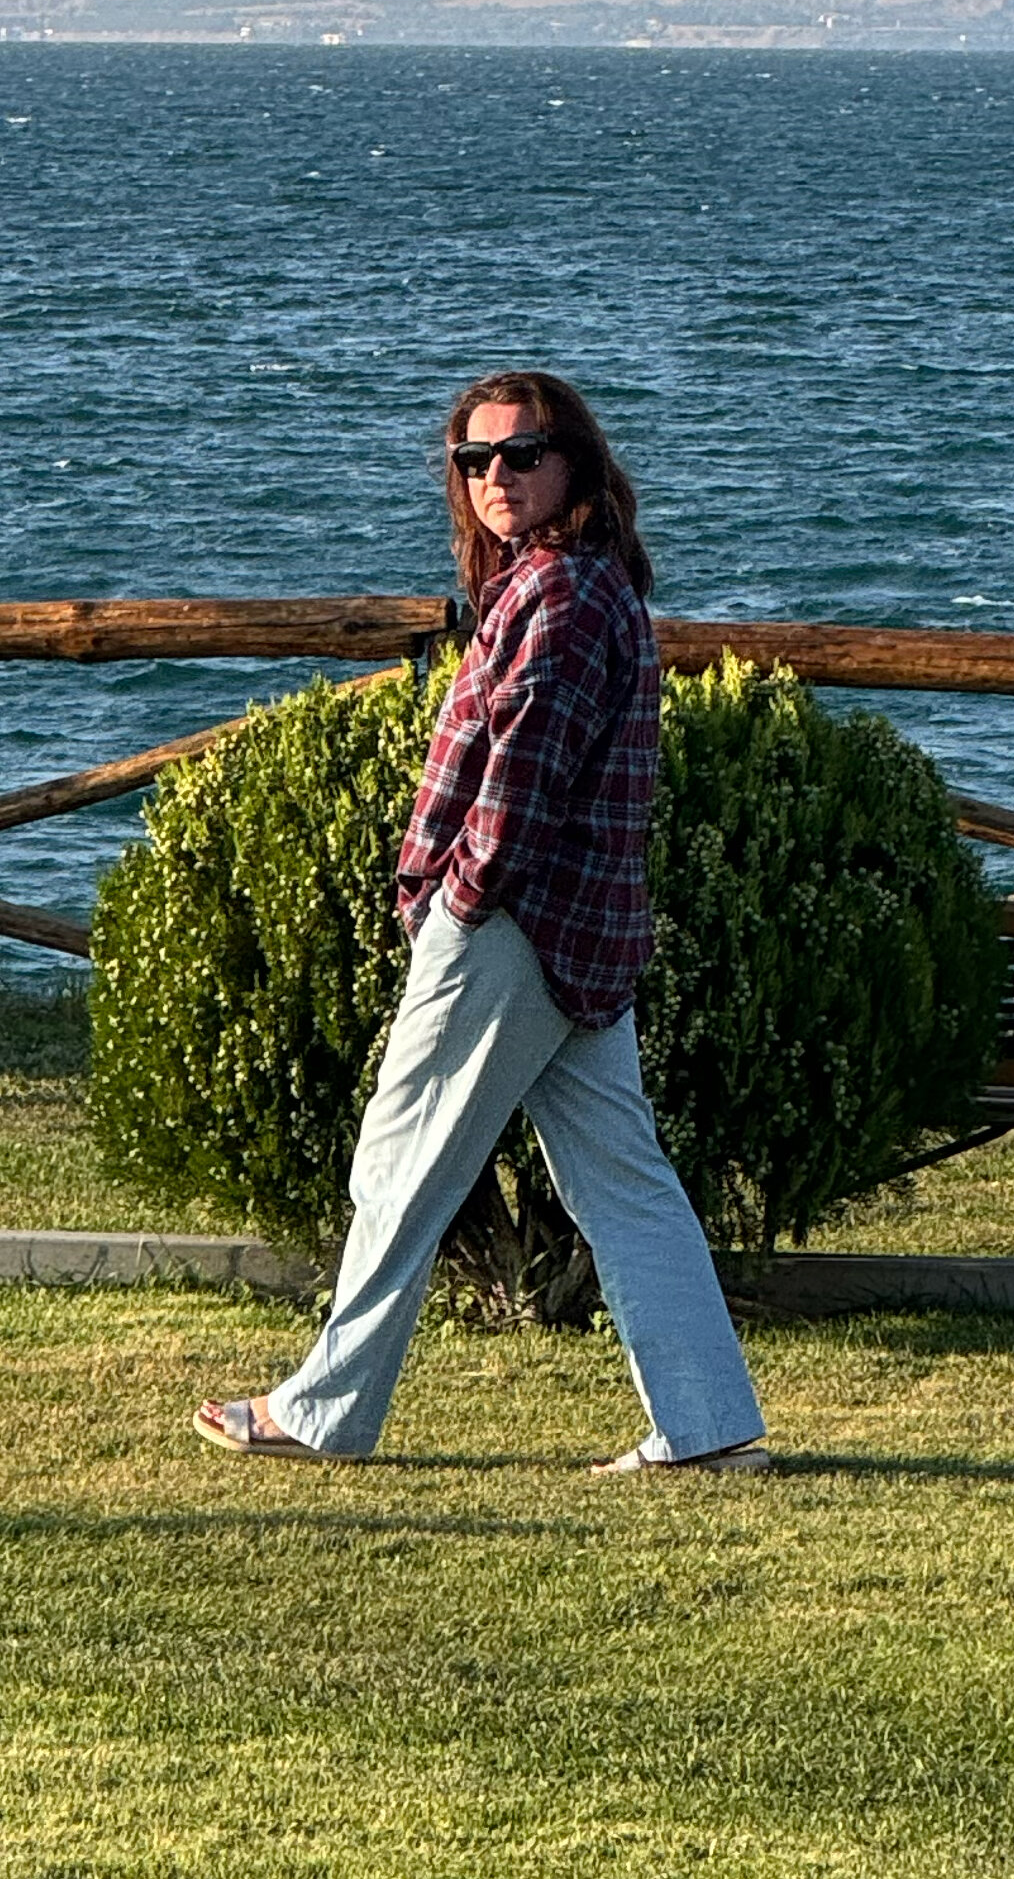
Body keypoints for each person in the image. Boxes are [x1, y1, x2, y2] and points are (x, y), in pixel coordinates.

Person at [196, 369, 771, 1476]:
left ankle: (325, 1410)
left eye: (522, 454)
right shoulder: (583, 586)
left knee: (400, 1165)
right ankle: (708, 1430)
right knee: (624, 1184)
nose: (497, 477)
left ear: (576, 466)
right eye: (475, 460)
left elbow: (521, 788)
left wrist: (452, 899)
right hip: (581, 938)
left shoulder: (557, 598)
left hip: (513, 930)